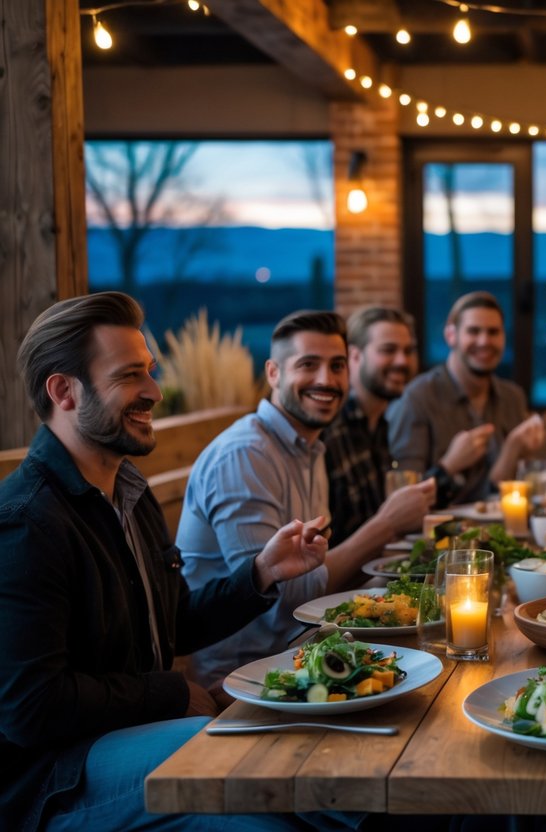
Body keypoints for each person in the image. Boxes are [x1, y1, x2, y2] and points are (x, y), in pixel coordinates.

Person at [0, 292, 332, 831]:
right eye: (131, 376)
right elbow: (30, 707)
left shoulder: (129, 491)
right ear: (63, 391)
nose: (154, 391)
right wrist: (174, 693)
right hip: (54, 780)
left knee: (296, 758)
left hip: (136, 736)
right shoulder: (27, 522)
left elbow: (172, 622)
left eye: (151, 372)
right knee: (259, 773)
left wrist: (261, 574)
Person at [178, 311, 435, 688]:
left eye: (337, 366)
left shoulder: (310, 448)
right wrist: (386, 525)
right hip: (244, 678)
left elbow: (311, 580)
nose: (325, 380)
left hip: (301, 653)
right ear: (273, 373)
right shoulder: (245, 455)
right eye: (308, 365)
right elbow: (282, 601)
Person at [387, 291, 546, 507]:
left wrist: (515, 448)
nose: (484, 341)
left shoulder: (513, 397)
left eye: (493, 332)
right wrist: (449, 465)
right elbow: (402, 498)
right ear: (451, 335)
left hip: (503, 532)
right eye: (473, 331)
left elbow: (510, 488)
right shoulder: (418, 398)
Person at [324, 306, 419, 545]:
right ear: (354, 356)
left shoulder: (379, 423)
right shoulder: (329, 428)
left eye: (408, 351)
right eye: (388, 350)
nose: (402, 361)